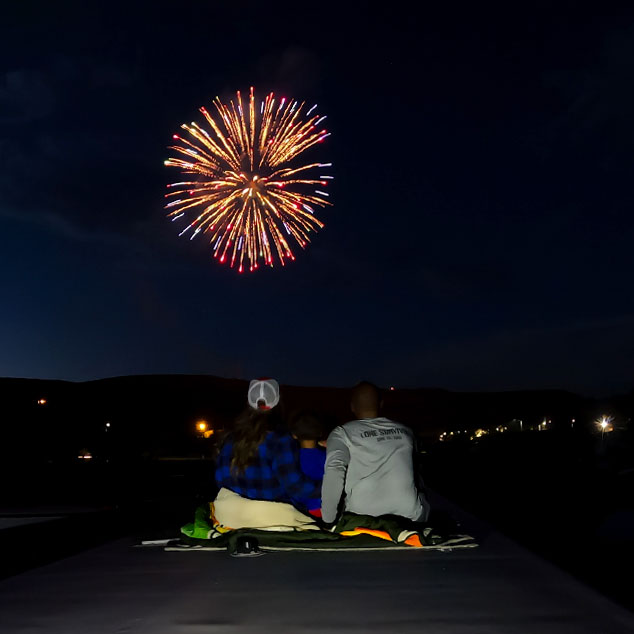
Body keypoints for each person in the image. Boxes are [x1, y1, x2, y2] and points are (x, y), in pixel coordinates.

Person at [320, 381, 430, 525]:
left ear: (352, 407)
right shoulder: (406, 432)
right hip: (410, 515)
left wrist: (328, 519)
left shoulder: (342, 433)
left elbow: (335, 470)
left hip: (361, 515)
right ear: (381, 404)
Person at [215, 378, 322, 513]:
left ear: (249, 402)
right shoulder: (280, 440)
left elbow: (220, 482)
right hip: (269, 518)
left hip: (231, 516)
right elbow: (296, 486)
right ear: (277, 402)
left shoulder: (229, 439)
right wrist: (330, 488)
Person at [290, 411, 327, 517]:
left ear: (294, 435)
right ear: (320, 433)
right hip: (319, 508)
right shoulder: (327, 456)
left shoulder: (290, 457)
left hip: (296, 508)